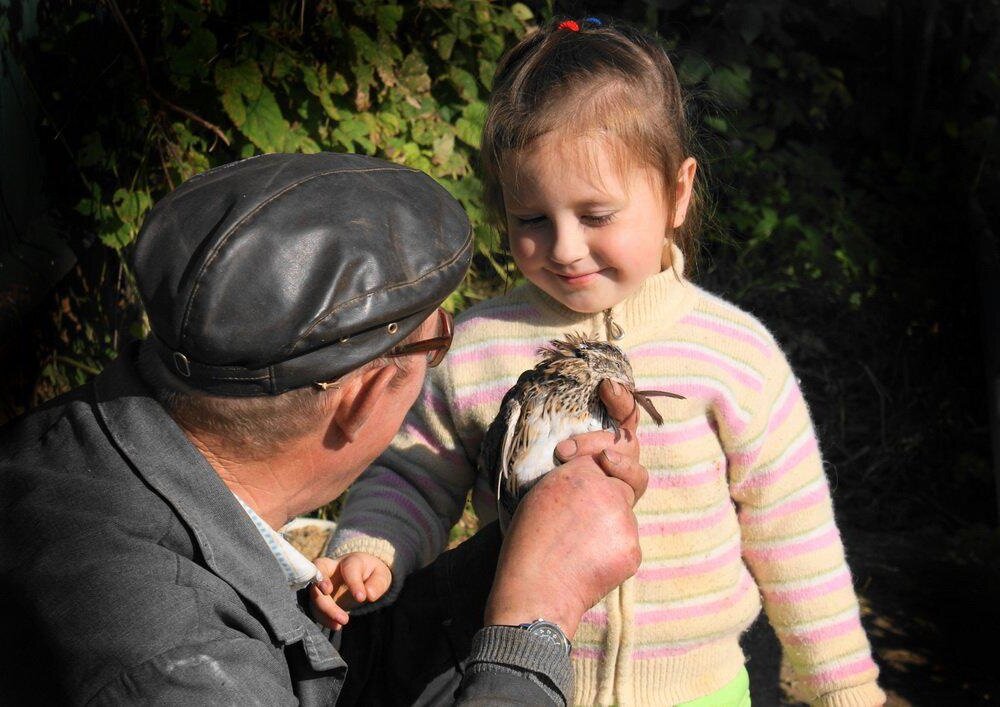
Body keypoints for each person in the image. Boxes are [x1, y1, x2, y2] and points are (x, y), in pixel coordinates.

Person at [319, 18, 887, 706]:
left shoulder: (734, 354)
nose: (563, 247)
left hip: (699, 694)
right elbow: (412, 472)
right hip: (516, 682)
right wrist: (372, 548)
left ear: (678, 193)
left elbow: (797, 541)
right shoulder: (476, 343)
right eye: (532, 219)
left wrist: (845, 686)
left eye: (594, 215)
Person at [0, 152, 648, 706]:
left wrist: (527, 540)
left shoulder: (70, 447)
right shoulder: (182, 674)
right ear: (363, 398)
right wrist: (530, 627)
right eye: (439, 341)